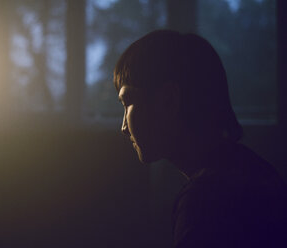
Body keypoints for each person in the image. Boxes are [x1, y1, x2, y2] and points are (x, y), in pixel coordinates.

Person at [114, 30, 287, 247]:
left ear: (169, 101)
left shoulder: (206, 201)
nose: (123, 127)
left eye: (127, 103)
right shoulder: (256, 172)